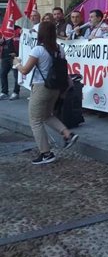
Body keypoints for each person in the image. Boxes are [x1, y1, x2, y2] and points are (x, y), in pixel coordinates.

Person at [16, 21, 79, 165]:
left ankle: (46, 153)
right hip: (55, 88)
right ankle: (67, 134)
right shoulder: (59, 49)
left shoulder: (38, 50)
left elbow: (25, 70)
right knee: (46, 115)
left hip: (40, 87)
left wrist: (17, 63)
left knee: (35, 120)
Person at [0, 32, 19, 100]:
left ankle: (16, 92)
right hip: (4, 56)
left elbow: (22, 43)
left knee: (16, 75)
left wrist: (17, 53)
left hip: (14, 56)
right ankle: (4, 92)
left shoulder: (18, 30)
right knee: (2, 74)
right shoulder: (2, 31)